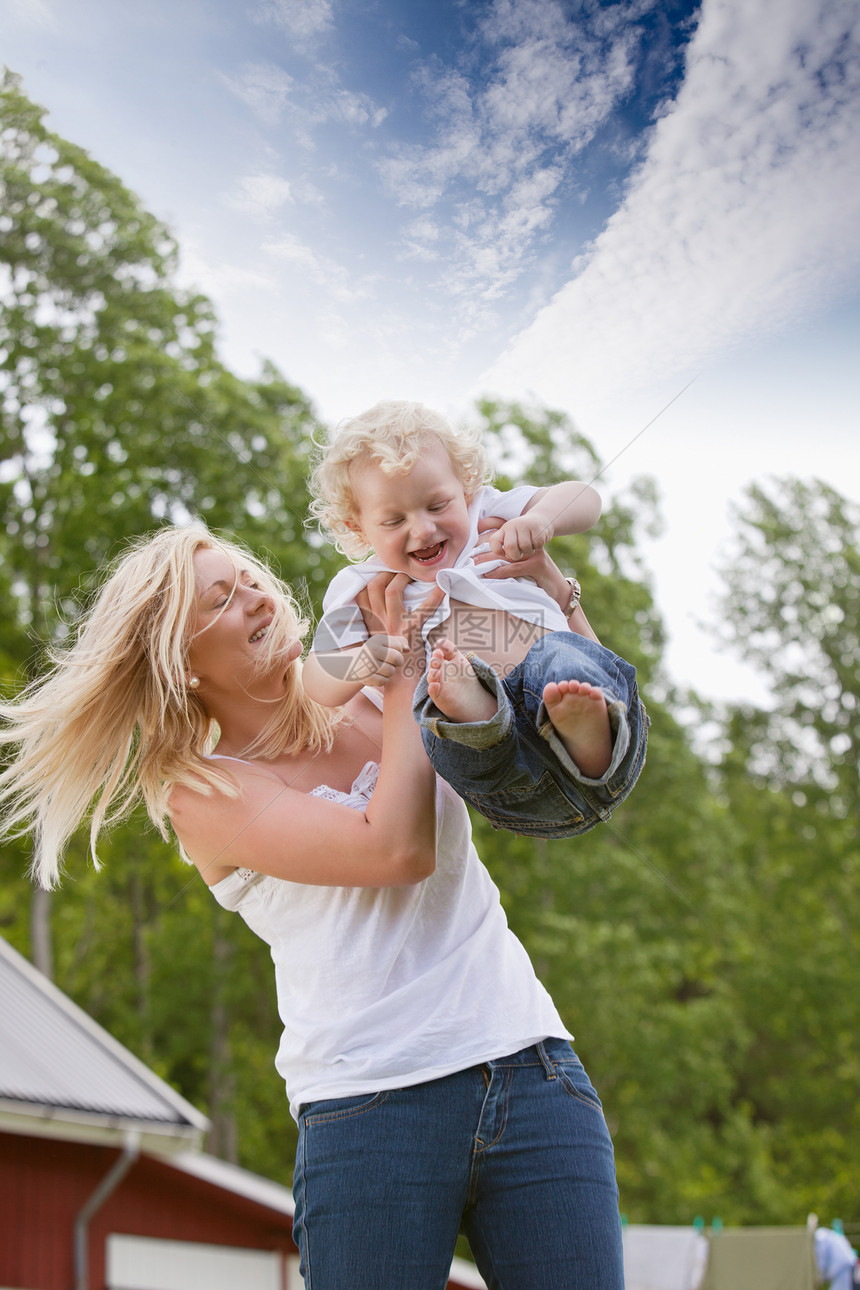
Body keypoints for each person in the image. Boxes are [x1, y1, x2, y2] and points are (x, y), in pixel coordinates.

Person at [0, 523, 625, 1289]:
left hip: (530, 1065)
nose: (255, 595)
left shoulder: (370, 680)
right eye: (220, 599)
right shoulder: (205, 789)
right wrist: (404, 662)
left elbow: (568, 681)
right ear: (182, 665)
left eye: (248, 578)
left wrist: (553, 590)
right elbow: (396, 851)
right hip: (371, 1107)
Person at [306, 398, 649, 839]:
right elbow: (314, 680)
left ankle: (588, 736)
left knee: (558, 655)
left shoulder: (490, 516)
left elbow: (586, 498)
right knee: (441, 709)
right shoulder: (361, 587)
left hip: (600, 723)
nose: (424, 529)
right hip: (516, 787)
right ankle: (478, 712)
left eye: (437, 504)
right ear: (357, 529)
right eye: (394, 521)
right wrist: (367, 659)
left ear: (465, 488)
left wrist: (542, 518)